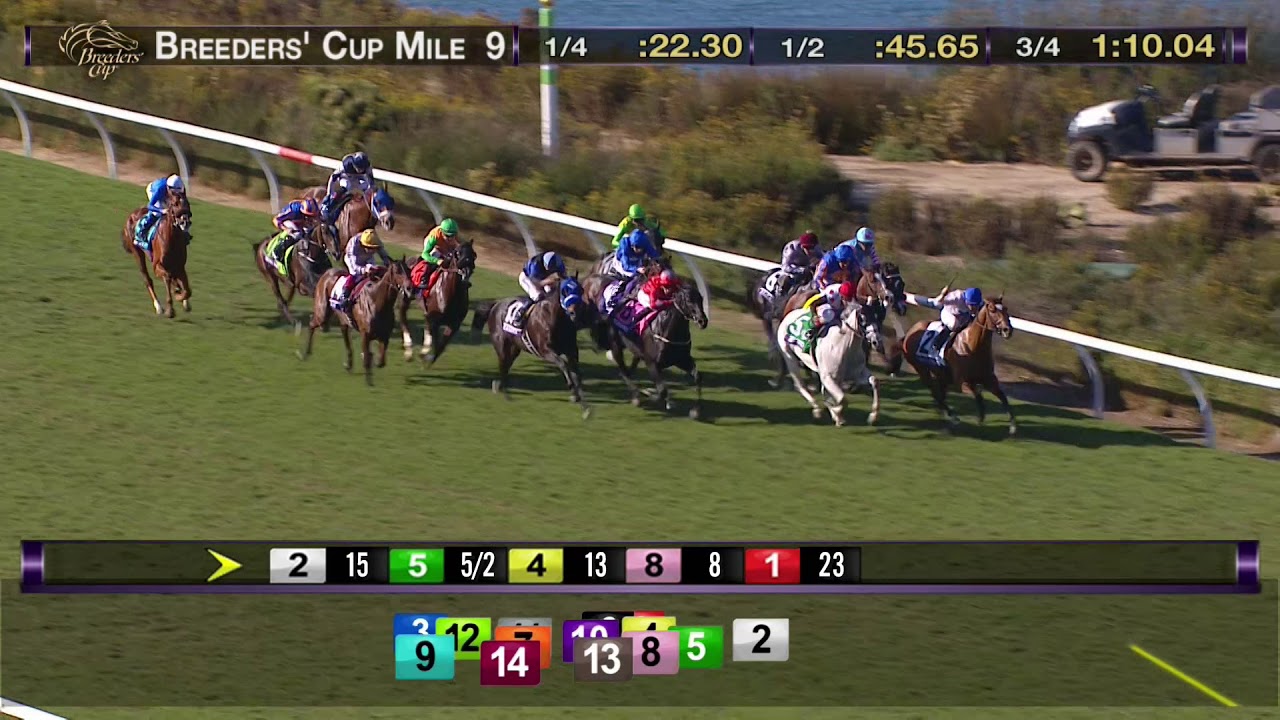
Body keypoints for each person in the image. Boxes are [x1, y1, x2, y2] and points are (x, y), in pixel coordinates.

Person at [333, 228, 391, 317]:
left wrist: (388, 263)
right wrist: (364, 270)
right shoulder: (353, 245)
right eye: (370, 248)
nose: (373, 251)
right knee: (354, 274)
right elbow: (355, 267)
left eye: (374, 248)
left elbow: (383, 253)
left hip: (367, 259)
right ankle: (344, 295)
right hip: (352, 259)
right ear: (363, 245)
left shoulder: (374, 240)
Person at [922, 285, 984, 364]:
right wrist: (942, 295)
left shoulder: (979, 301)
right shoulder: (956, 297)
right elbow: (937, 302)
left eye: (975, 305)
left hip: (963, 315)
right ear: (966, 299)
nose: (973, 308)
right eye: (971, 305)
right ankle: (937, 346)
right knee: (954, 324)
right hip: (949, 313)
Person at [792, 281, 857, 353]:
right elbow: (814, 303)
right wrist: (815, 315)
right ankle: (811, 336)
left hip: (836, 309)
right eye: (847, 298)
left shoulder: (847, 291)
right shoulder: (831, 294)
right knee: (829, 315)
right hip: (823, 306)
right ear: (842, 295)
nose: (849, 300)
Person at [321, 151, 375, 223]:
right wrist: (329, 194)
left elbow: (371, 183)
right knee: (347, 185)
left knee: (367, 187)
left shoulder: (368, 168)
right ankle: (329, 206)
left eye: (362, 168)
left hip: (358, 178)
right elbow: (333, 178)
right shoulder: (346, 164)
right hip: (346, 177)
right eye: (359, 168)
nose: (360, 170)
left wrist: (371, 192)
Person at [268, 197, 322, 267]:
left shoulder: (313, 209)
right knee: (298, 234)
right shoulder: (293, 209)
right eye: (308, 215)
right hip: (288, 221)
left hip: (300, 222)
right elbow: (276, 220)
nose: (309, 217)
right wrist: (285, 228)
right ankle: (277, 252)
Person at [136, 174, 186, 247]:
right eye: (174, 193)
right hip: (152, 190)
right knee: (157, 213)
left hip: (166, 193)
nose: (176, 194)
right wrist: (162, 211)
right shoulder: (160, 189)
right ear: (169, 188)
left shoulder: (180, 188)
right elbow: (150, 205)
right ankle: (141, 232)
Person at [415, 218, 460, 290]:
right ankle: (424, 279)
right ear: (442, 231)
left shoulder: (455, 236)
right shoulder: (434, 236)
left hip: (446, 247)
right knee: (435, 254)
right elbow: (424, 254)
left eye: (453, 236)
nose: (450, 238)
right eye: (447, 236)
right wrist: (437, 261)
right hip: (435, 245)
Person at [776, 231, 823, 295]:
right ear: (801, 245)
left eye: (812, 247)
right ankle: (782, 293)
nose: (810, 251)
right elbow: (784, 267)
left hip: (807, 266)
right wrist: (801, 270)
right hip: (792, 268)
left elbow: (823, 260)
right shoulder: (791, 249)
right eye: (806, 248)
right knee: (787, 279)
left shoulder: (817, 249)